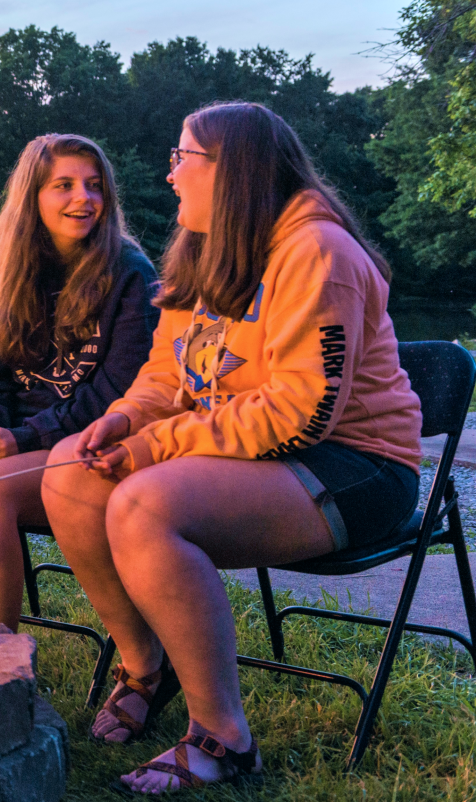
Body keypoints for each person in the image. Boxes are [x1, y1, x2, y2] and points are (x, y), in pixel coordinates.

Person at [41, 102, 422, 793]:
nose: (169, 174)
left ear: (233, 169)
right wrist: (127, 420)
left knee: (143, 505)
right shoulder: (204, 247)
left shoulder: (319, 252)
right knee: (68, 473)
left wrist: (159, 445)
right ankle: (146, 670)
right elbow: (166, 371)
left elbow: (298, 416)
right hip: (264, 454)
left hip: (356, 466)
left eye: (182, 158)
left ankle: (225, 740)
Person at [0, 134, 158, 629]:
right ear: (33, 197)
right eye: (63, 185)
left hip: (88, 446)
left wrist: (21, 438)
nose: (83, 198)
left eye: (93, 186)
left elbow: (115, 394)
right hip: (16, 444)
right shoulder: (5, 277)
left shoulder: (130, 274)